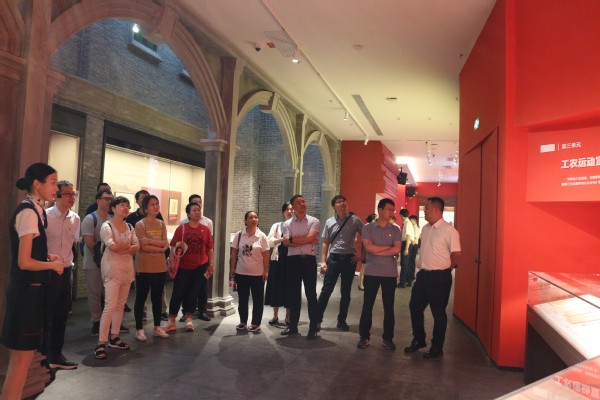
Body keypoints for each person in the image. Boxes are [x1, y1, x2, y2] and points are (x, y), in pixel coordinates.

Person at [1, 163, 65, 400]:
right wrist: (52, 265)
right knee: (21, 360)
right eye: (52, 182)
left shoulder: (35, 210)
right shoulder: (28, 212)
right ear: (37, 184)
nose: (56, 188)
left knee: (23, 359)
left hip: (31, 292)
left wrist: (47, 258)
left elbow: (30, 255)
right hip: (25, 293)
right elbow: (24, 261)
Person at [404, 197, 461, 359]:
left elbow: (456, 254)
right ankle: (419, 339)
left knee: (438, 312)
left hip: (439, 277)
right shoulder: (425, 228)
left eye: (427, 208)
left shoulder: (449, 231)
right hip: (423, 276)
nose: (424, 211)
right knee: (415, 306)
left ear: (436, 209)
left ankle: (437, 347)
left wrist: (446, 270)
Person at [41, 180, 80, 370]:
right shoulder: (45, 216)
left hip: (66, 270)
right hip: (48, 271)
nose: (72, 197)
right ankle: (42, 356)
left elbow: (74, 243)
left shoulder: (75, 218)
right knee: (46, 314)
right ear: (57, 196)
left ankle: (56, 354)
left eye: (73, 194)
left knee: (62, 315)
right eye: (68, 194)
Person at [94, 196, 139, 360]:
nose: (126, 208)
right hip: (112, 268)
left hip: (126, 268)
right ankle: (101, 342)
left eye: (127, 206)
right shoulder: (107, 226)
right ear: (113, 208)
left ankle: (114, 336)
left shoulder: (129, 226)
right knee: (110, 305)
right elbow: (112, 246)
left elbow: (137, 245)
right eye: (122, 205)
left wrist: (124, 248)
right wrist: (128, 247)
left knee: (120, 305)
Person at [357, 198, 401, 350]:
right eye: (389, 209)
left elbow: (397, 249)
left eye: (393, 210)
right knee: (367, 306)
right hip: (372, 272)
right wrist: (388, 248)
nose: (391, 213)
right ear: (380, 210)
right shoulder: (368, 228)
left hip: (390, 273)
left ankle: (388, 339)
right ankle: (364, 337)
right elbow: (369, 249)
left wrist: (376, 248)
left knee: (389, 307)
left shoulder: (395, 229)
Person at [163, 202, 214, 333]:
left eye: (199, 210)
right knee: (178, 292)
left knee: (194, 292)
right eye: (194, 210)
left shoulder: (205, 229)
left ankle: (189, 319)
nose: (197, 212)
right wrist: (172, 261)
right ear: (188, 214)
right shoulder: (182, 228)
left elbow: (210, 248)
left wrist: (211, 264)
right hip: (183, 266)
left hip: (200, 266)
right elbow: (173, 245)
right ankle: (172, 320)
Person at [317, 195, 363, 331]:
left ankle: (341, 321)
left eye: (344, 201)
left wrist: (361, 256)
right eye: (339, 202)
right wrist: (323, 261)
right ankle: (317, 320)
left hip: (349, 259)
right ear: (334, 207)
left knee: (346, 292)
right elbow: (325, 243)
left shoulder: (355, 220)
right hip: (334, 259)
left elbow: (367, 238)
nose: (343, 203)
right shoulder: (329, 222)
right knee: (326, 290)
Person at [281, 195, 320, 340]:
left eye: (304, 201)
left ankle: (313, 328)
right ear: (293, 206)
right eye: (299, 202)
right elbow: (286, 243)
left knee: (311, 295)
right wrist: (308, 240)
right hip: (293, 261)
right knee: (294, 294)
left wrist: (294, 240)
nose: (303, 204)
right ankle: (293, 327)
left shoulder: (314, 221)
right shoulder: (286, 224)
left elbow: (311, 238)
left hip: (309, 261)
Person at [133, 195, 170, 341]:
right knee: (141, 298)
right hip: (144, 267)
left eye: (157, 204)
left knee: (157, 298)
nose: (156, 207)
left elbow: (165, 243)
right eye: (152, 204)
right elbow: (143, 247)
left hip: (160, 266)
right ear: (146, 208)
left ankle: (157, 327)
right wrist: (159, 247)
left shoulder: (161, 224)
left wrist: (150, 242)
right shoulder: (140, 224)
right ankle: (139, 329)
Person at [230, 211, 269, 333]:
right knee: (242, 299)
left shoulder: (262, 236)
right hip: (241, 272)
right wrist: (232, 268)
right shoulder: (239, 235)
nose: (254, 219)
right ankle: (243, 321)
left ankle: (256, 323)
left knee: (258, 300)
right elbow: (234, 252)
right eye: (251, 217)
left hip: (257, 274)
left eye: (256, 217)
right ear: (245, 221)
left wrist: (266, 270)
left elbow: (266, 255)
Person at [81, 189, 113, 336]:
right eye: (106, 199)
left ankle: (109, 321)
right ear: (98, 200)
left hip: (110, 262)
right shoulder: (90, 219)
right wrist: (101, 258)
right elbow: (89, 243)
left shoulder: (113, 219)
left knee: (109, 293)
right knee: (95, 292)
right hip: (93, 262)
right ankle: (96, 321)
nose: (109, 202)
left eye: (111, 199)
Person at [179, 194, 213, 322]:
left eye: (199, 202)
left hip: (202, 260)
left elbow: (210, 244)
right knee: (186, 287)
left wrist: (210, 263)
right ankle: (186, 312)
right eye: (195, 203)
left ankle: (202, 311)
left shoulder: (208, 222)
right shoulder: (183, 223)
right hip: (187, 261)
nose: (198, 205)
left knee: (202, 287)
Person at [264, 202, 293, 325]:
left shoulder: (296, 226)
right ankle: (275, 316)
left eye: (292, 209)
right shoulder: (276, 226)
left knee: (289, 287)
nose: (290, 211)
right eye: (287, 209)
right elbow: (269, 242)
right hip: (277, 259)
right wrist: (282, 239)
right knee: (275, 287)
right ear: (283, 212)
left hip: (291, 260)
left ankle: (288, 316)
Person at [357, 213, 377, 291]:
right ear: (372, 219)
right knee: (364, 266)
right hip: (366, 247)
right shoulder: (367, 226)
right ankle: (360, 284)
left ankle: (364, 284)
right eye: (375, 219)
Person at [397, 208, 414, 288]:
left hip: (406, 244)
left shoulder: (407, 223)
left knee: (404, 264)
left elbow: (408, 236)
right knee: (406, 263)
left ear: (401, 215)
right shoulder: (407, 222)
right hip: (406, 243)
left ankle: (402, 282)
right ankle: (408, 281)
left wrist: (406, 248)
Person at [407, 215, 421, 287]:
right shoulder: (413, 228)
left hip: (413, 246)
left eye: (411, 220)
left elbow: (414, 239)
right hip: (413, 246)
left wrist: (408, 245)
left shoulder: (416, 229)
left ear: (415, 220)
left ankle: (411, 277)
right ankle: (411, 276)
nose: (410, 222)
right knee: (411, 262)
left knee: (411, 262)